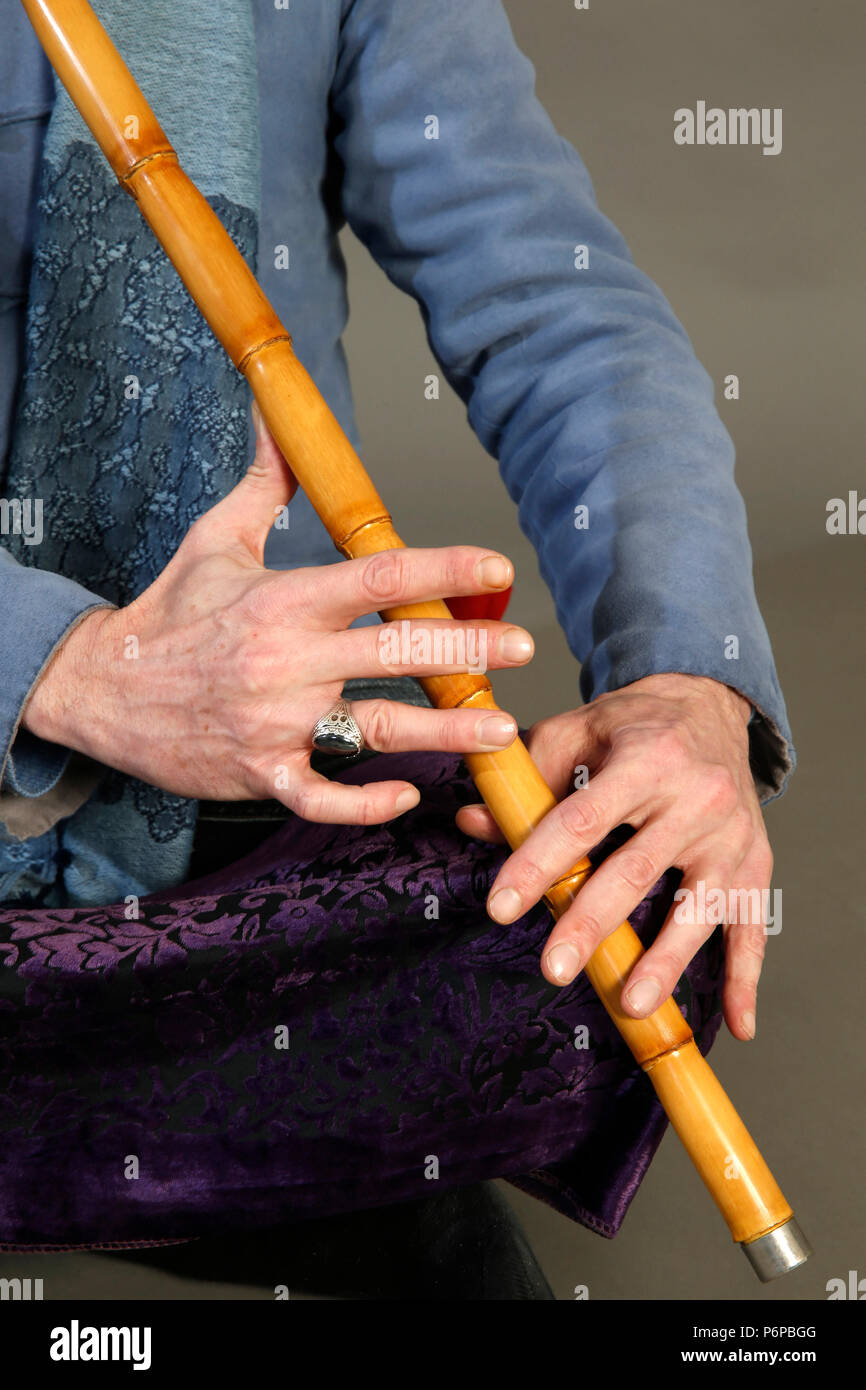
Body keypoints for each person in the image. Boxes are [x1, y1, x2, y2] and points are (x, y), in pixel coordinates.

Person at [0, 0, 793, 1290]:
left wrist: (684, 681)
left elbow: (555, 310)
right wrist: (64, 662)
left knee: (540, 920)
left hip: (277, 754)